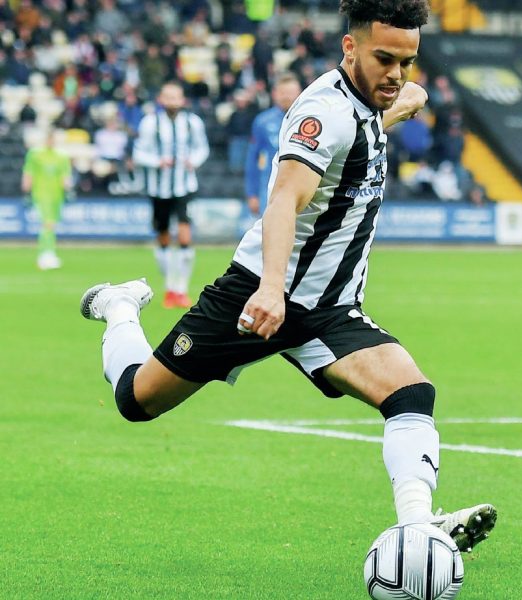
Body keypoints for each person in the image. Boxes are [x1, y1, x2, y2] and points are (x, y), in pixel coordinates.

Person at [79, 0, 496, 554]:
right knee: (137, 400)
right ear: (349, 47)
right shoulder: (322, 112)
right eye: (384, 59)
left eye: (407, 61)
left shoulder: (372, 104)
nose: (397, 74)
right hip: (257, 293)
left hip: (327, 309)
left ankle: (419, 526)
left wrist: (401, 100)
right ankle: (120, 307)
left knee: (410, 391)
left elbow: (386, 112)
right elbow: (284, 202)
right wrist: (271, 287)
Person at [132, 81, 211, 309]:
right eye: (168, 97)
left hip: (184, 187)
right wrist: (157, 162)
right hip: (158, 189)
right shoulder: (150, 123)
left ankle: (182, 289)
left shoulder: (192, 123)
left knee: (185, 236)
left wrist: (193, 161)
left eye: (176, 97)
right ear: (161, 99)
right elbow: (139, 152)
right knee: (164, 237)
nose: (172, 101)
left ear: (183, 100)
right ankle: (169, 288)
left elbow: (202, 148)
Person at [244, 73, 303, 218]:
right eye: (282, 93)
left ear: (300, 93)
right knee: (270, 231)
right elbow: (253, 159)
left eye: (290, 93)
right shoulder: (262, 121)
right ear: (274, 94)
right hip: (270, 185)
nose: (286, 97)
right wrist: (252, 193)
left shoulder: (308, 120)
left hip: (302, 184)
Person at [22, 129, 73, 270]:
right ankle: (45, 254)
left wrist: (68, 191)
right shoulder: (35, 154)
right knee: (47, 224)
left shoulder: (61, 156)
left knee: (51, 225)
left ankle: (49, 252)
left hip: (57, 195)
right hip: (41, 194)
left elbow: (65, 176)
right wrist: (26, 191)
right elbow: (28, 173)